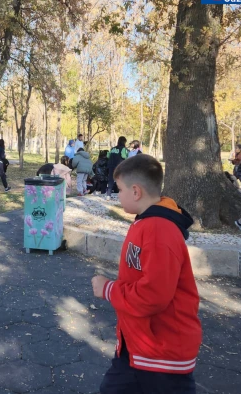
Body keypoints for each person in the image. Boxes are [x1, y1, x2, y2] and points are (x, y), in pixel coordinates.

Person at [89, 154, 201, 394]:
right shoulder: (147, 222)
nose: (117, 195)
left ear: (136, 191)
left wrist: (108, 289)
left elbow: (154, 295)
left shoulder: (159, 230)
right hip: (140, 345)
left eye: (119, 189)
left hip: (161, 353)